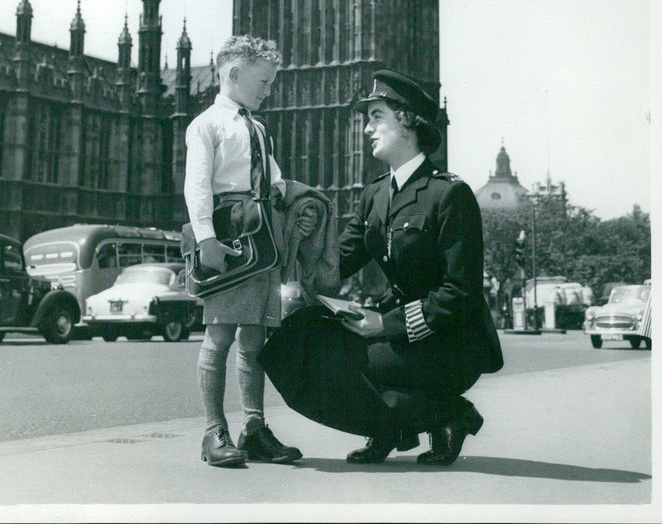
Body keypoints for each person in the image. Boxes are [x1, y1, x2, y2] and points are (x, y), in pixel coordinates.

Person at [259, 69, 503, 466]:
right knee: (298, 342)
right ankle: (391, 425)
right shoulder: (375, 195)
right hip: (404, 336)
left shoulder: (449, 194)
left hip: (449, 342)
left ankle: (449, 415)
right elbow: (335, 264)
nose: (367, 128)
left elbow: (460, 294)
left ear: (407, 121)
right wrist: (300, 226)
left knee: (350, 361)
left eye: (377, 117)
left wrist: (384, 325)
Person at [184, 34, 312, 468]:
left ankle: (253, 428)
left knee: (254, 337)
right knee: (219, 334)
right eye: (263, 81)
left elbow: (273, 179)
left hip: (261, 241)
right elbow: (197, 186)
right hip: (226, 238)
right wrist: (205, 240)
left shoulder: (258, 128)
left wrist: (293, 199)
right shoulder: (207, 124)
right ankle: (213, 431)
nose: (268, 90)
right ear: (234, 75)